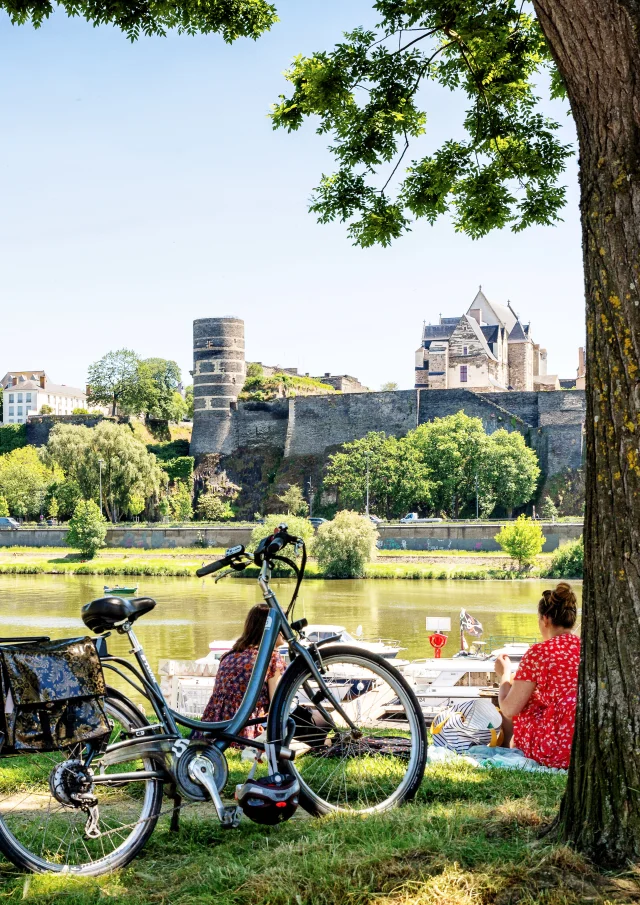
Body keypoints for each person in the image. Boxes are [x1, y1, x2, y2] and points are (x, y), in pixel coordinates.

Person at [494, 581, 580, 769]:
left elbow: (509, 709)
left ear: (546, 620)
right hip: (584, 744)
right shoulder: (584, 647)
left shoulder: (539, 652)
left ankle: (509, 744)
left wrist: (505, 674)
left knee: (527, 700)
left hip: (557, 748)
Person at [199, 604, 285, 740]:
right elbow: (278, 704)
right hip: (248, 729)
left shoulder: (229, 655)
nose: (286, 631)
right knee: (315, 720)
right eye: (282, 625)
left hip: (214, 726)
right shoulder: (272, 659)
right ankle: (327, 746)